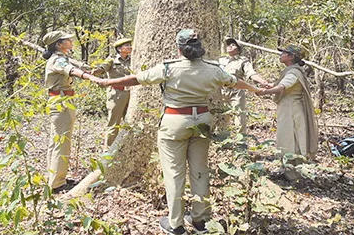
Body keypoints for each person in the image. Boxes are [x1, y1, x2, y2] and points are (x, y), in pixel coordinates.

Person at [93, 30, 260, 235]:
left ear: (179, 48)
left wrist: (107, 82)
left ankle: (175, 224)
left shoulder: (169, 68)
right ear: (200, 48)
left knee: (174, 173)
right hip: (202, 121)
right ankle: (201, 220)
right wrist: (255, 89)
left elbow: (136, 79)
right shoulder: (213, 69)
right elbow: (235, 81)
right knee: (200, 170)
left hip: (174, 122)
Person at [42, 30, 100, 192]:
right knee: (62, 142)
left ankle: (55, 178)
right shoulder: (57, 60)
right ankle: (58, 183)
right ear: (59, 44)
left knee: (56, 142)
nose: (70, 41)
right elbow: (71, 70)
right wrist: (92, 78)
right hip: (61, 102)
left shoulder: (61, 58)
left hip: (62, 100)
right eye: (67, 39)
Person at [256, 45, 318, 162]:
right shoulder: (292, 71)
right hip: (289, 108)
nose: (280, 55)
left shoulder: (293, 72)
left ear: (291, 56)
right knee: (291, 137)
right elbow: (283, 85)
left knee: (290, 138)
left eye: (283, 53)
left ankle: (293, 171)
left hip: (292, 110)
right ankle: (290, 169)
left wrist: (265, 92)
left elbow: (282, 87)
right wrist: (270, 86)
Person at [219, 37, 269, 134]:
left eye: (233, 45)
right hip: (221, 91)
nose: (230, 46)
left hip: (236, 92)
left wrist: (262, 81)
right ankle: (223, 142)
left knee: (239, 118)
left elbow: (251, 73)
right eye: (228, 45)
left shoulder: (242, 60)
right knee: (223, 119)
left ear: (238, 48)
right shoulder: (221, 60)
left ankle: (240, 144)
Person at [91, 37, 132, 148]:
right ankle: (108, 151)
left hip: (131, 94)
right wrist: (95, 71)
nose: (129, 47)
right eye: (126, 45)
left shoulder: (132, 59)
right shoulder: (111, 60)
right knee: (114, 123)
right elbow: (101, 69)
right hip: (116, 94)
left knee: (130, 121)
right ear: (119, 49)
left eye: (129, 45)